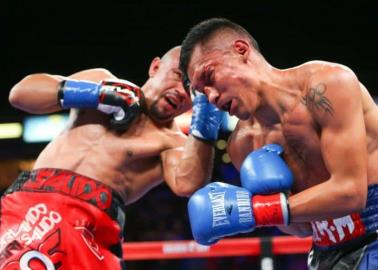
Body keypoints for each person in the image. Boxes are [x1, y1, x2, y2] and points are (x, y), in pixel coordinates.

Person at [179, 18, 378, 269]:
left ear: (241, 50)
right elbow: (301, 228)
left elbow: (351, 192)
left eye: (209, 77)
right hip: (326, 254)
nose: (212, 96)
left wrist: (257, 211)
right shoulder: (243, 144)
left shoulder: (326, 85)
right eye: (202, 93)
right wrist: (269, 200)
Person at [2, 46, 223, 269]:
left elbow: (188, 185)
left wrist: (205, 120)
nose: (181, 91)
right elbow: (20, 94)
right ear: (155, 67)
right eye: (178, 76)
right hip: (29, 209)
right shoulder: (101, 80)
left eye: (192, 89)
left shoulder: (172, 142)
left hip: (89, 233)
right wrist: (93, 94)